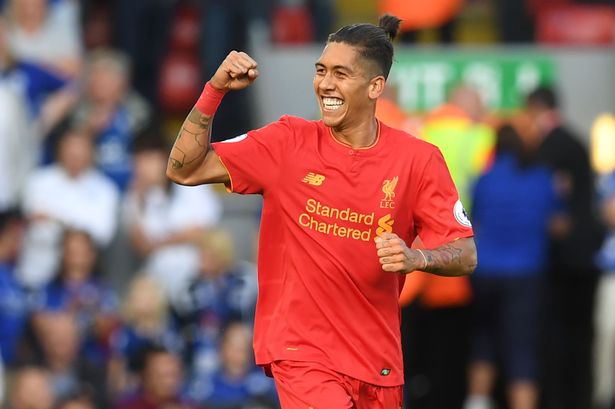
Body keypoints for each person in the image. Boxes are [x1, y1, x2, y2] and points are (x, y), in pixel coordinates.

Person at [166, 15, 477, 408]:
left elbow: (465, 253)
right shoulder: (287, 141)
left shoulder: (418, 160)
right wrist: (214, 90)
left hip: (378, 361)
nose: (325, 84)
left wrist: (417, 257)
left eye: (340, 74)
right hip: (302, 353)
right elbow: (183, 168)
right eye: (321, 70)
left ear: (374, 86)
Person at [463, 124, 564, 409]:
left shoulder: (484, 179)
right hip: (525, 275)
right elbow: (557, 223)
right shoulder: (542, 178)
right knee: (522, 349)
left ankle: (477, 401)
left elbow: (474, 220)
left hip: (484, 272)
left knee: (483, 341)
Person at [525, 86, 602, 409]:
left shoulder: (549, 146)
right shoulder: (577, 141)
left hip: (561, 260)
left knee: (557, 338)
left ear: (535, 109)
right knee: (583, 338)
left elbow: (546, 201)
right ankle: (582, 398)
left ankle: (559, 400)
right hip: (587, 256)